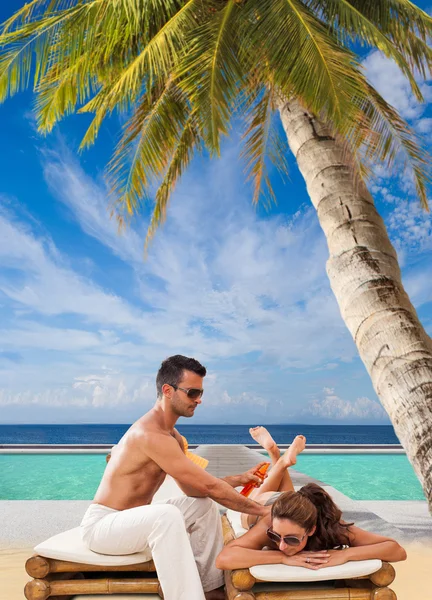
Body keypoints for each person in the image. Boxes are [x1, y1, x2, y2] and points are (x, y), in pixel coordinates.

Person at [80, 355, 271, 600]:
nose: (199, 400)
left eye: (200, 393)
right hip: (103, 527)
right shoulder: (148, 434)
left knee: (201, 505)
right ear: (168, 390)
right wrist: (262, 511)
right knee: (166, 515)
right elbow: (209, 485)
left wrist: (238, 479)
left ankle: (210, 586)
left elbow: (197, 490)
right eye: (192, 393)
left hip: (133, 523)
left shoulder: (173, 437)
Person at [217, 427, 407, 571]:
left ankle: (277, 457)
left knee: (288, 496)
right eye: (275, 537)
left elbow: (396, 550)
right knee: (251, 503)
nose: (281, 546)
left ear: (311, 530)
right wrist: (282, 558)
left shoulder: (331, 528)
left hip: (289, 502)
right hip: (266, 506)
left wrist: (347, 554)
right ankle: (279, 459)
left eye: (291, 540)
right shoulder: (268, 524)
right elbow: (224, 559)